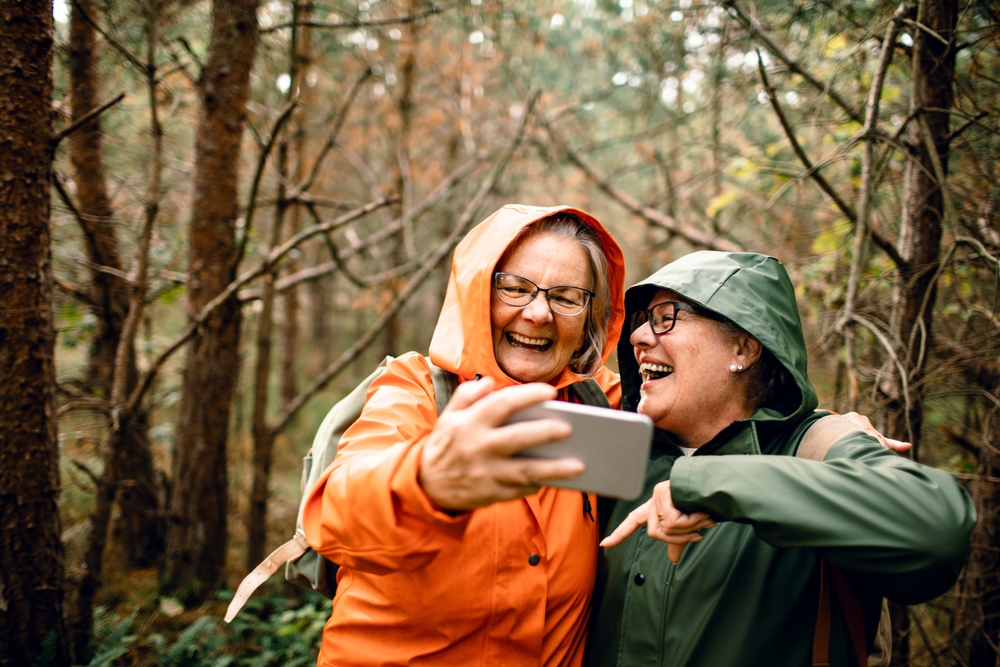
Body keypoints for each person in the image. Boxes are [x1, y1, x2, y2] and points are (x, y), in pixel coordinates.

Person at [587, 251, 976, 667]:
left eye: (666, 317)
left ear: (744, 347)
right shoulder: (620, 453)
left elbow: (937, 530)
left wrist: (713, 483)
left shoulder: (816, 448)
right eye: (642, 319)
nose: (639, 336)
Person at [302, 204, 627, 666]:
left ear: (590, 315)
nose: (538, 313)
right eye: (514, 289)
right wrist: (429, 480)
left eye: (566, 297)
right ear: (477, 294)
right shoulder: (415, 389)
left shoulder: (602, 406)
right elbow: (338, 514)